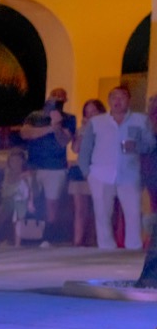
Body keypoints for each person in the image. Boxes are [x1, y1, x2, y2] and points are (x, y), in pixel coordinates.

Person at [79, 84, 153, 250]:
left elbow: (151, 144)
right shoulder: (97, 122)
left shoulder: (141, 120)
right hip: (100, 175)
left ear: (129, 100)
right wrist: (87, 173)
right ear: (109, 101)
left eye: (121, 97)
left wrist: (137, 146)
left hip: (130, 174)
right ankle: (106, 250)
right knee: (102, 215)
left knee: (133, 214)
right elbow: (85, 149)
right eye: (113, 97)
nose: (117, 101)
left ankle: (133, 249)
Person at [16, 95, 73, 243]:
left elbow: (63, 142)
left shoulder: (69, 118)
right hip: (33, 166)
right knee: (30, 200)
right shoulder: (34, 116)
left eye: (60, 97)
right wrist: (51, 128)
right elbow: (25, 133)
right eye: (53, 96)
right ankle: (27, 236)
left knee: (51, 204)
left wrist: (58, 126)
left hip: (55, 168)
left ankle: (47, 238)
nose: (55, 101)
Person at [0, 149, 38, 247]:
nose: (15, 163)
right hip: (9, 201)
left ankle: (14, 240)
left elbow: (33, 190)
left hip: (24, 203)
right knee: (2, 213)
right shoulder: (8, 173)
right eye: (12, 161)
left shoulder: (29, 174)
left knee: (19, 213)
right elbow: (6, 192)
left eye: (18, 160)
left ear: (22, 161)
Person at [68, 98, 102, 246]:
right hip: (80, 169)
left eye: (94, 111)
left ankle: (95, 241)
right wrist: (83, 132)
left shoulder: (106, 127)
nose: (90, 115)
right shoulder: (82, 129)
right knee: (79, 209)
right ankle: (77, 242)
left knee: (98, 208)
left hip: (98, 170)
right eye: (87, 113)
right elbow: (75, 149)